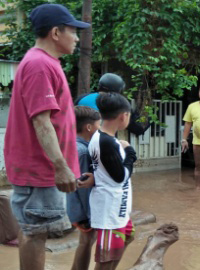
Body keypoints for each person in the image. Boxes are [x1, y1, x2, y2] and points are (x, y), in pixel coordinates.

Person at [3, 4, 90, 270]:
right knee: (34, 233)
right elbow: (41, 123)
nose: (76, 38)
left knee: (34, 231)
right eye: (73, 32)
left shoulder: (44, 63)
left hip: (42, 169)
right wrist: (60, 166)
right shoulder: (40, 65)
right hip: (39, 169)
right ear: (55, 32)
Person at [89, 93, 138, 270]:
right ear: (123, 116)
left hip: (118, 207)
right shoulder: (106, 142)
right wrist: (131, 153)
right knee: (106, 260)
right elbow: (121, 176)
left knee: (128, 235)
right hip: (110, 209)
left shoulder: (104, 139)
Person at [67, 106, 100, 270]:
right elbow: (83, 186)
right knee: (86, 243)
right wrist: (89, 215)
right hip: (83, 210)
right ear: (89, 127)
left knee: (84, 242)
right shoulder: (84, 152)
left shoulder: (71, 145)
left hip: (75, 207)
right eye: (98, 125)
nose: (100, 129)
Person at [75, 73, 150, 136]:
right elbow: (137, 128)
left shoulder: (82, 98)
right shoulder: (117, 103)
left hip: (79, 139)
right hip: (103, 142)